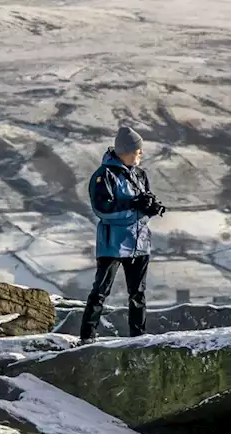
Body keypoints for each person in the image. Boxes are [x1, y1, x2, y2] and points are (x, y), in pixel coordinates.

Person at [78, 126, 167, 341]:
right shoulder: (103, 176)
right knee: (101, 290)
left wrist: (150, 209)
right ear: (126, 151)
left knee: (138, 294)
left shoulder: (140, 175)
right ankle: (87, 336)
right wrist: (133, 205)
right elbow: (102, 210)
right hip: (113, 243)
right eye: (138, 150)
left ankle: (138, 336)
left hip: (140, 242)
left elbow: (140, 210)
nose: (141, 154)